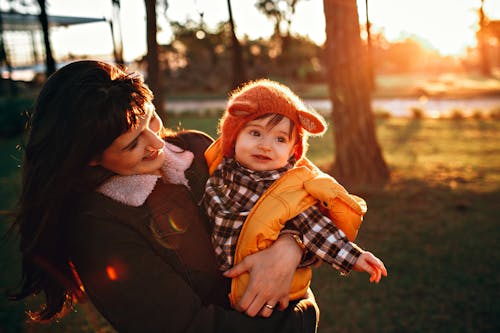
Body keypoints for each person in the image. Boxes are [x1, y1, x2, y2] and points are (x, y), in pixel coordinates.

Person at [8, 60, 319, 332]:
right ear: (88, 156)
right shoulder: (98, 229)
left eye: (152, 118)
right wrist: (303, 316)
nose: (158, 141)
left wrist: (291, 246)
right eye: (132, 144)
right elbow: (189, 328)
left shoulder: (198, 149)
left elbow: (296, 196)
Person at [203, 79, 388, 307]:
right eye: (255, 133)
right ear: (234, 136)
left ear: (293, 151)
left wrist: (354, 257)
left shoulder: (288, 188)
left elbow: (317, 228)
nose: (266, 145)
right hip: (220, 285)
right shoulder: (219, 170)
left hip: (266, 290)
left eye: (280, 139)